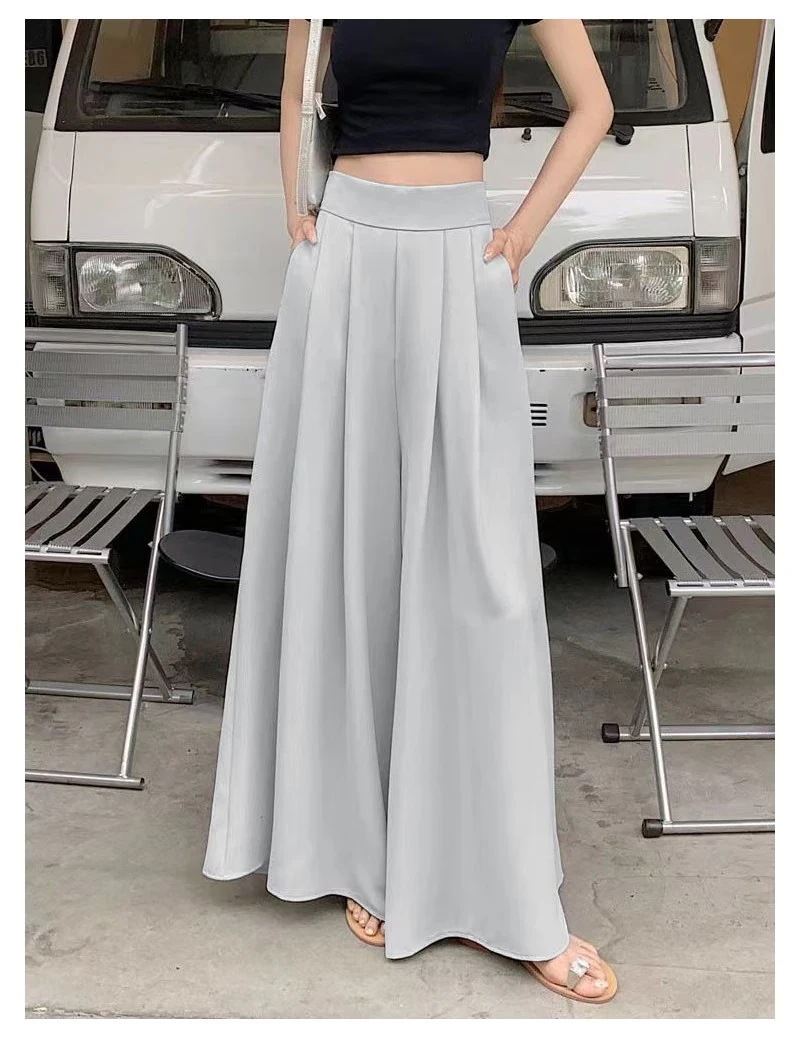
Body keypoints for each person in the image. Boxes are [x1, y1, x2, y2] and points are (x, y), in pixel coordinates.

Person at [203, 19, 617, 1005]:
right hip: (344, 257)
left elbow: (593, 105)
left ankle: (506, 886)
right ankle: (356, 847)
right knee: (348, 554)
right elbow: (295, 91)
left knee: (483, 577)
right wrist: (295, 210)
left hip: (459, 258)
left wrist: (520, 234)